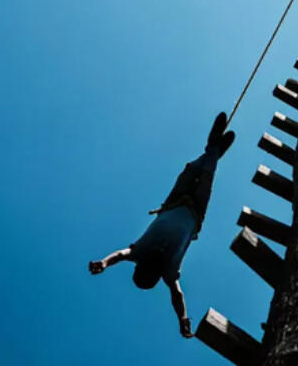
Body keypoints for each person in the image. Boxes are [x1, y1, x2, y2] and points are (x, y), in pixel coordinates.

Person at [88, 112, 236, 337]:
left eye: (145, 269)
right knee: (206, 173)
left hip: (174, 201)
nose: (150, 266)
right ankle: (213, 150)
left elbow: (120, 255)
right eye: (151, 272)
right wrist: (183, 318)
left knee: (191, 169)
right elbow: (177, 296)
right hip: (196, 211)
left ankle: (213, 149)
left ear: (141, 266)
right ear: (155, 275)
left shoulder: (139, 253)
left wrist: (104, 263)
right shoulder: (167, 271)